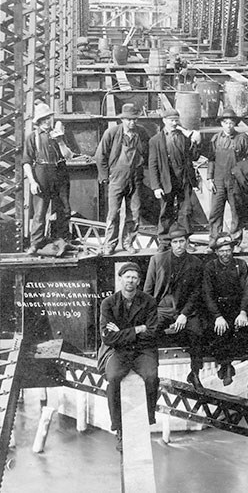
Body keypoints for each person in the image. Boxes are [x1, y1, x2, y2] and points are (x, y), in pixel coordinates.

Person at [98, 262, 159, 452]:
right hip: (118, 351)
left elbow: (152, 333)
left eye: (134, 277)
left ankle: (149, 416)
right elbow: (108, 337)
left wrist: (122, 332)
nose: (130, 281)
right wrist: (136, 329)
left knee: (151, 376)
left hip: (143, 350)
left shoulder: (148, 301)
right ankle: (117, 426)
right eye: (127, 277)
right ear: (120, 279)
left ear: (139, 281)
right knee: (113, 377)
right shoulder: (108, 303)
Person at [143, 225, 205, 390]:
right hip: (162, 308)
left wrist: (184, 314)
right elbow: (148, 291)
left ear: (186, 242)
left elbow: (196, 293)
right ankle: (151, 372)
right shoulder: (157, 260)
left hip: (185, 310)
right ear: (170, 244)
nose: (179, 245)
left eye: (182, 241)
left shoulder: (196, 263)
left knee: (197, 331)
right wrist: (148, 314)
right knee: (150, 332)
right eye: (175, 242)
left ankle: (195, 373)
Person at [95, 103, 150, 255]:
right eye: (128, 120)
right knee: (113, 214)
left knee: (135, 212)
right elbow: (100, 156)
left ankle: (128, 242)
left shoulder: (142, 133)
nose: (132, 123)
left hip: (136, 178)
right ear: (122, 119)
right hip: (117, 178)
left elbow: (149, 152)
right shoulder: (111, 133)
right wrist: (105, 176)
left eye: (134, 120)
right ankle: (110, 245)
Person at [23, 102, 74, 255]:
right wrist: (32, 181)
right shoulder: (33, 137)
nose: (47, 122)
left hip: (60, 171)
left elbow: (68, 156)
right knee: (40, 212)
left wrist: (60, 141)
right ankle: (36, 244)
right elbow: (26, 162)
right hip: (41, 173)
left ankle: (63, 241)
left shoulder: (60, 134)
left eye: (48, 118)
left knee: (64, 209)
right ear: (38, 122)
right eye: (43, 119)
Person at [202, 232, 248, 386]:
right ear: (216, 252)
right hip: (217, 308)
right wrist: (217, 315)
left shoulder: (240, 265)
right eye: (222, 251)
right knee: (218, 329)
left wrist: (243, 312)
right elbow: (207, 294)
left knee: (238, 329)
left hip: (236, 307)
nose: (225, 254)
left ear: (232, 250)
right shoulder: (210, 267)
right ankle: (226, 365)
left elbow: (246, 291)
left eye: (228, 250)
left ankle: (227, 366)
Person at [206, 108, 248, 249]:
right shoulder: (216, 139)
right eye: (226, 122)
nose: (228, 125)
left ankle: (235, 242)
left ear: (235, 124)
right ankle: (214, 241)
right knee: (215, 212)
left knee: (236, 212)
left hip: (235, 182)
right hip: (218, 182)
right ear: (222, 124)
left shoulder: (243, 138)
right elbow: (211, 159)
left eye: (231, 122)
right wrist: (209, 178)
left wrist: (241, 170)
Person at [149, 108, 202, 240]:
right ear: (164, 121)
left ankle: (185, 240)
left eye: (176, 121)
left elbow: (194, 157)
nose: (174, 123)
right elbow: (153, 164)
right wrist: (156, 186)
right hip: (167, 180)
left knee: (185, 211)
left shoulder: (184, 137)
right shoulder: (155, 141)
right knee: (165, 211)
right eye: (171, 120)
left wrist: (196, 142)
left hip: (184, 180)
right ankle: (164, 241)